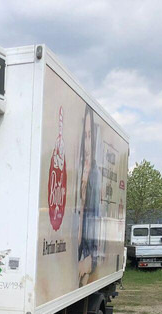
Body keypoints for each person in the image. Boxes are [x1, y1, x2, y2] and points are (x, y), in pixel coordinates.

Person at [76, 105, 102, 286]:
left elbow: (94, 221)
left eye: (89, 136)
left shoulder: (94, 175)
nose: (87, 142)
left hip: (84, 258)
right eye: (84, 137)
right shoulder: (76, 172)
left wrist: (88, 259)